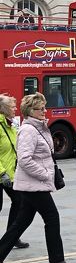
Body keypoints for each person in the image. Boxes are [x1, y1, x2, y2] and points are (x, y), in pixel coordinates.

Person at [0, 93, 75, 263]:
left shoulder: (38, 127)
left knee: (21, 222)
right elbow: (24, 159)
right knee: (52, 217)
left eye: (44, 107)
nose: (44, 111)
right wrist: (45, 174)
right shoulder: (28, 130)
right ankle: (57, 261)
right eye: (40, 108)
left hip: (33, 184)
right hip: (34, 184)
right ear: (30, 111)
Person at [0, 95, 29, 250]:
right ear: (4, 109)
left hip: (10, 173)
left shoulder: (11, 124)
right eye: (12, 107)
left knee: (19, 202)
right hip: (2, 173)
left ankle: (11, 237)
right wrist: (1, 172)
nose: (15, 109)